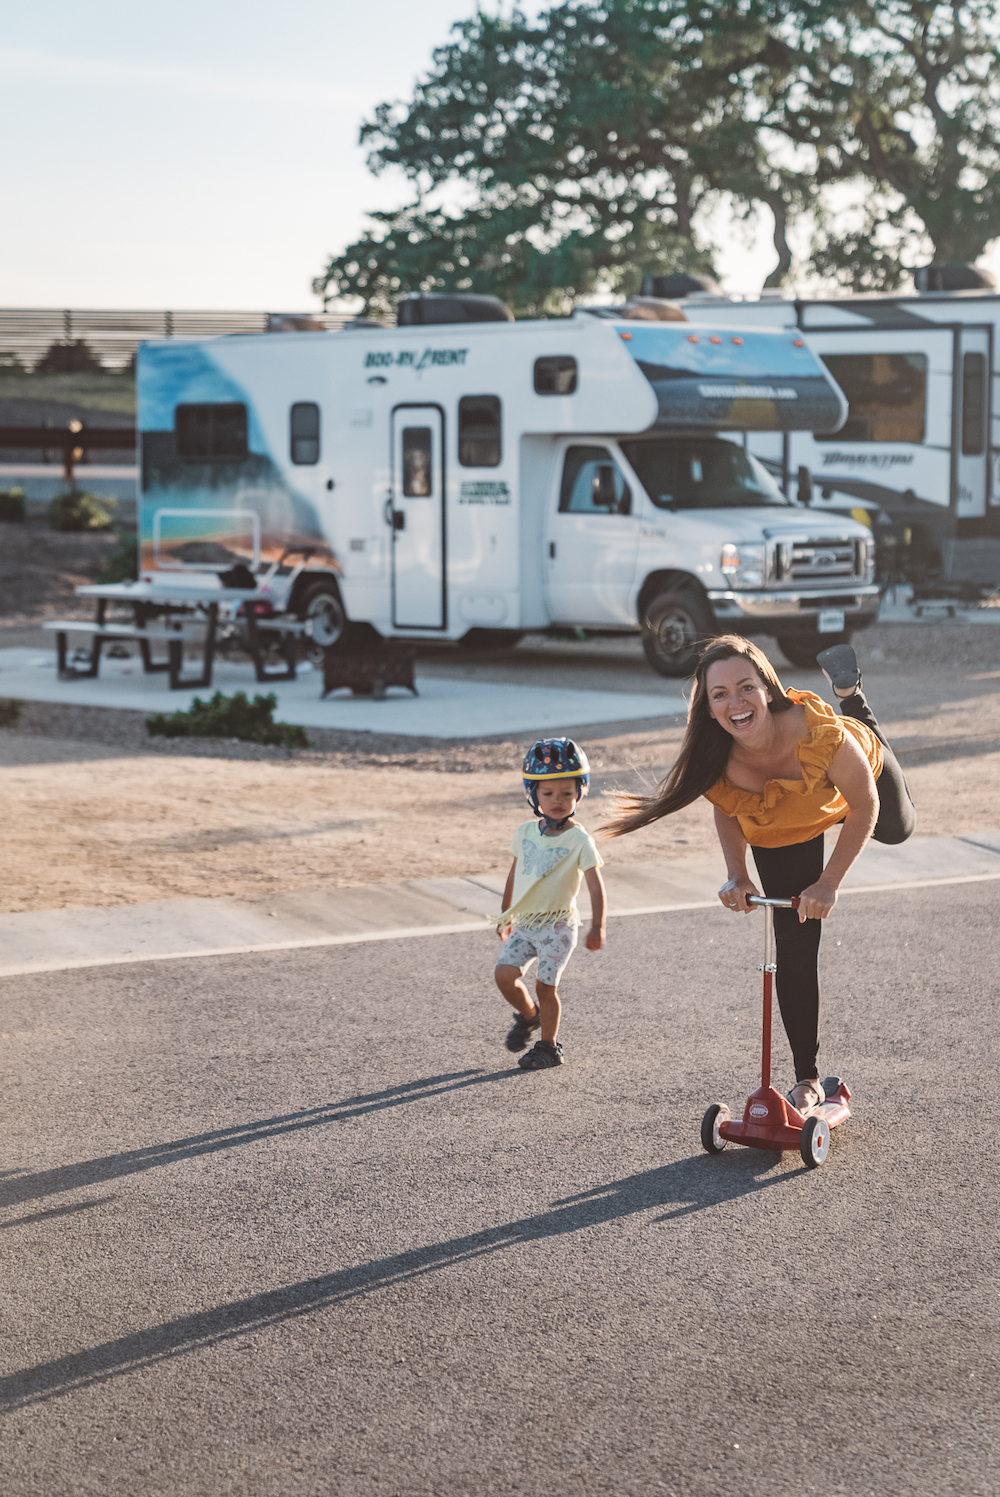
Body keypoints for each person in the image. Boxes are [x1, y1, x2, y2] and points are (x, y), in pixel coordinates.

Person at [604, 638, 914, 1112]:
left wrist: (828, 882)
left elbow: (865, 806)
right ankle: (807, 1079)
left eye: (746, 687)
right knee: (793, 942)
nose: (736, 703)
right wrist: (736, 874)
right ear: (708, 708)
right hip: (787, 820)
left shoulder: (818, 732)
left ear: (768, 689)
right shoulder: (716, 758)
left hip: (852, 788)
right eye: (720, 694)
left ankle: (853, 696)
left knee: (898, 830)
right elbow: (727, 809)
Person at [495, 738, 607, 1070]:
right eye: (548, 794)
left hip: (557, 927)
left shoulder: (580, 840)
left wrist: (597, 926)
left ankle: (549, 1046)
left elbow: (595, 886)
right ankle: (529, 1017)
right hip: (525, 923)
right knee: (504, 975)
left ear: (579, 794)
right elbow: (514, 875)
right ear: (533, 795)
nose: (557, 800)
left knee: (545, 985)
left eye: (567, 793)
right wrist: (506, 913)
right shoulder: (526, 832)